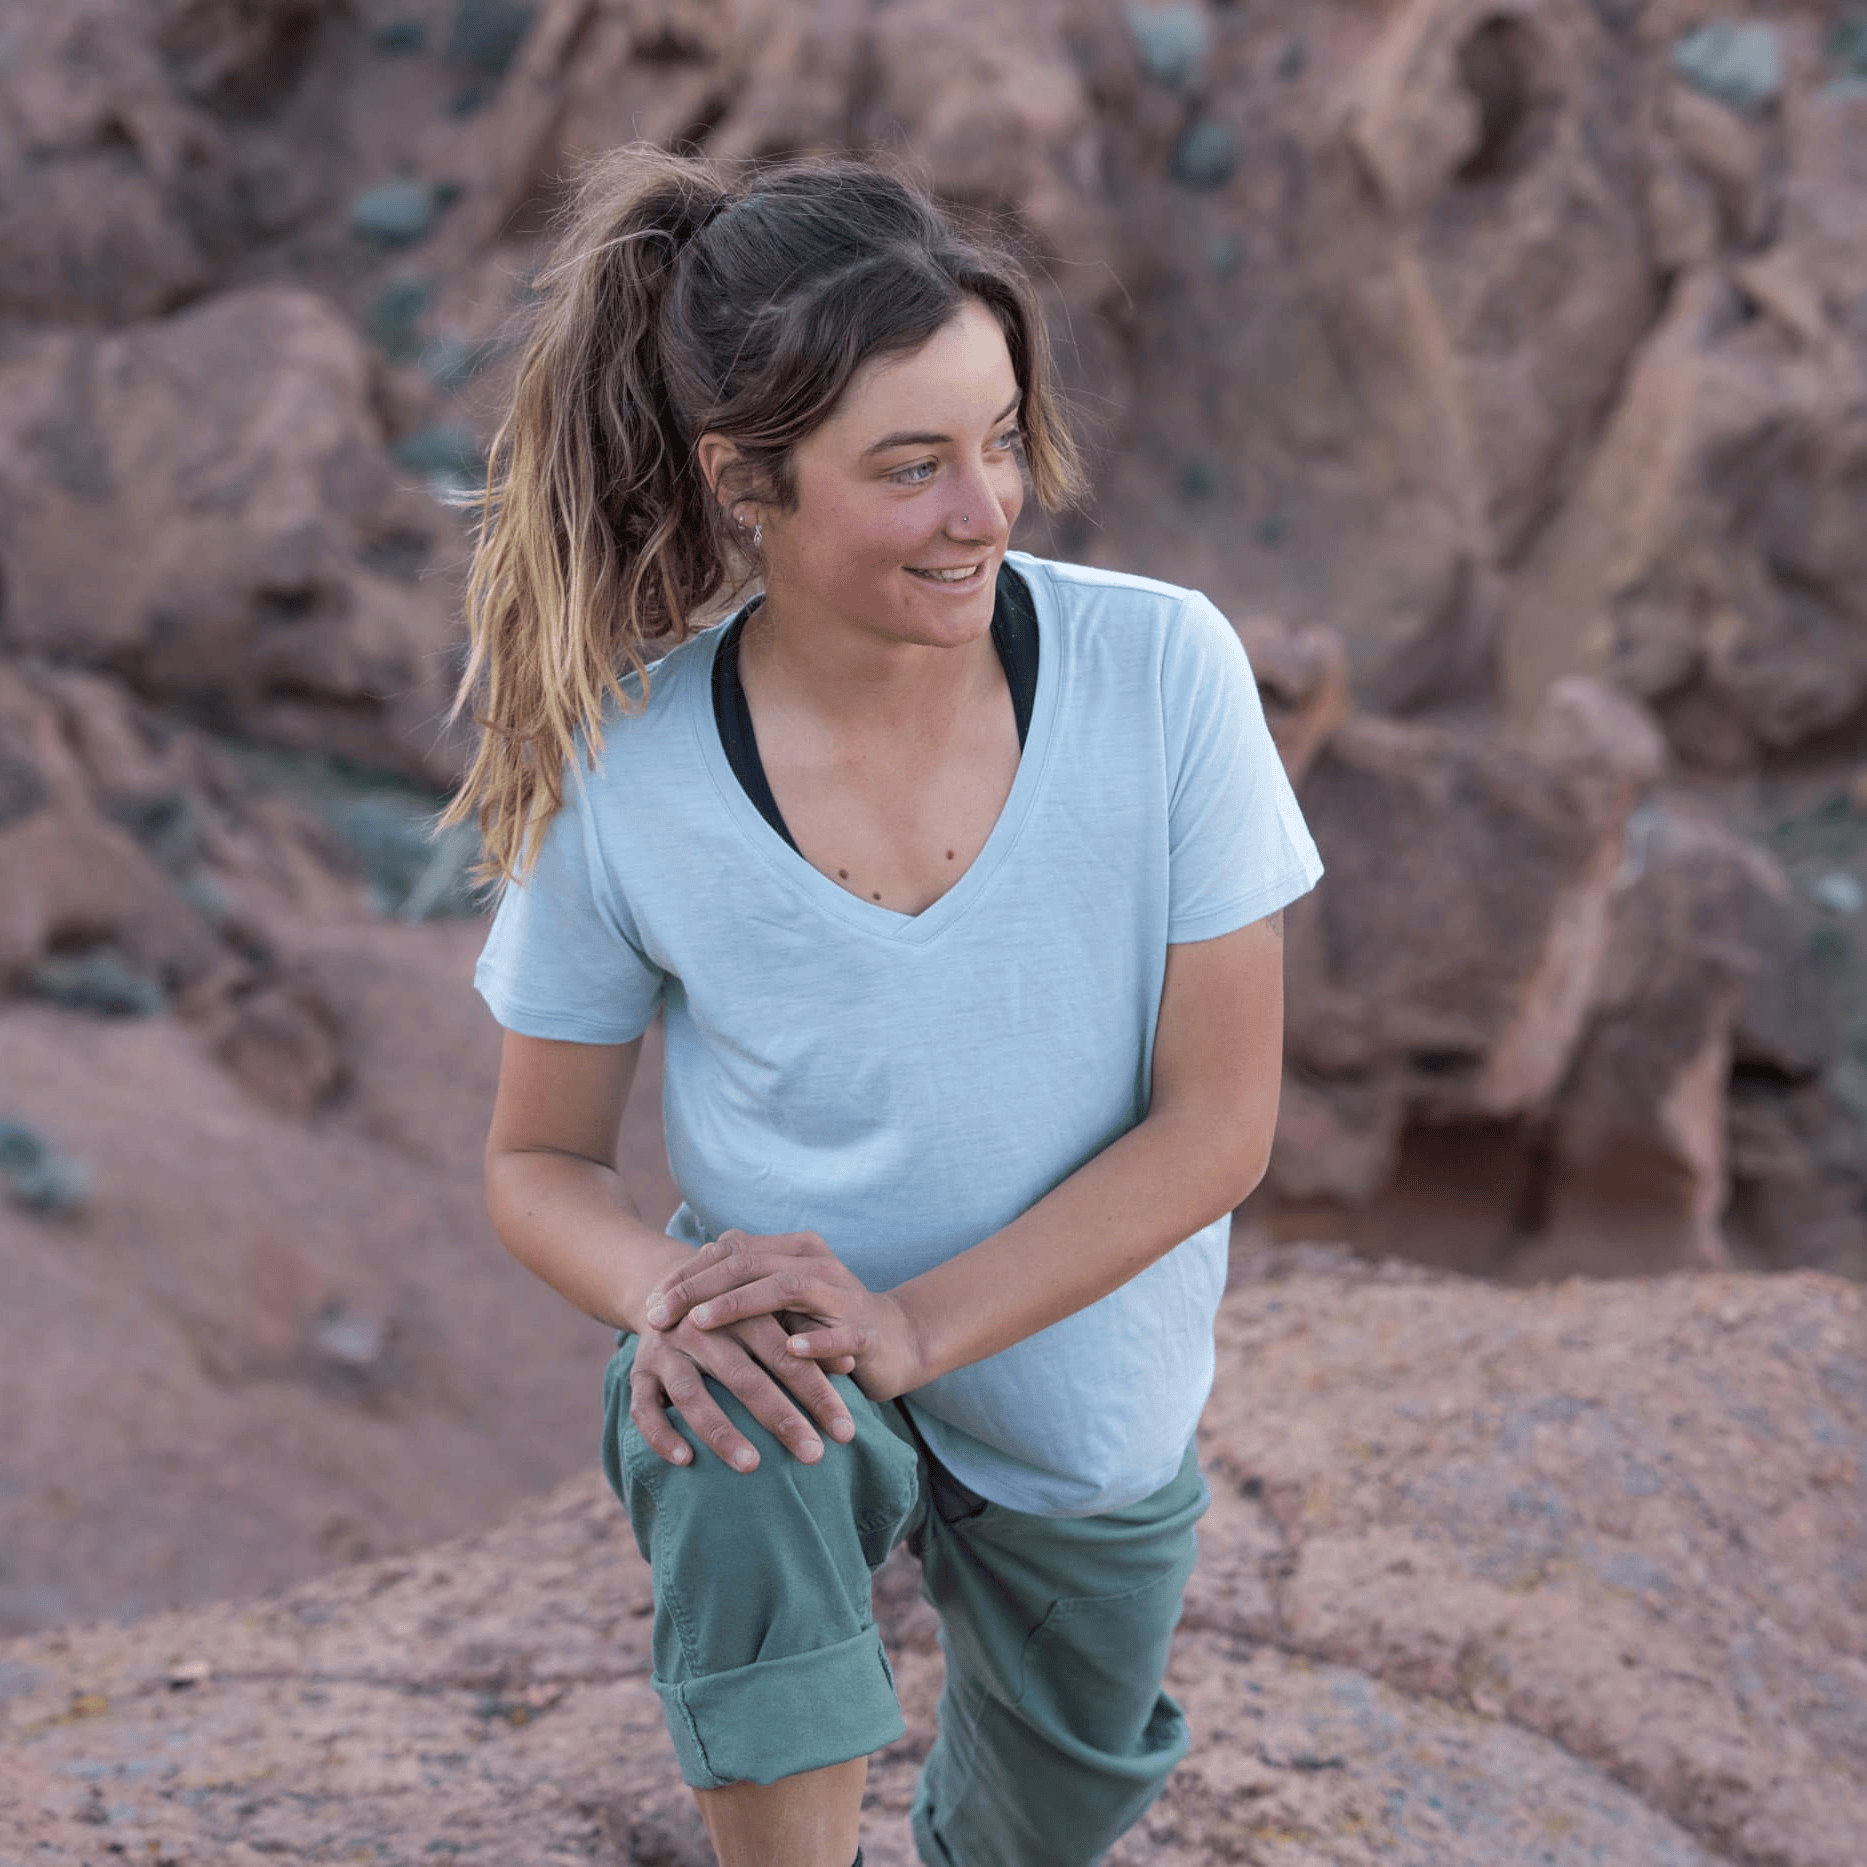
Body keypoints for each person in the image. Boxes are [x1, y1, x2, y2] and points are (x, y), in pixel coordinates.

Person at [449, 144, 1323, 1867]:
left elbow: (1220, 1124)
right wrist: (672, 1298)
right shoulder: (630, 770)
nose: (983, 507)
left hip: (1080, 1393)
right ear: (744, 481)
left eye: (998, 439)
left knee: (1052, 1809)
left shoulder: (1163, 671)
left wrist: (917, 1324)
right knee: (722, 1420)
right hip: (804, 1362)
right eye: (911, 467)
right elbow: (539, 1160)